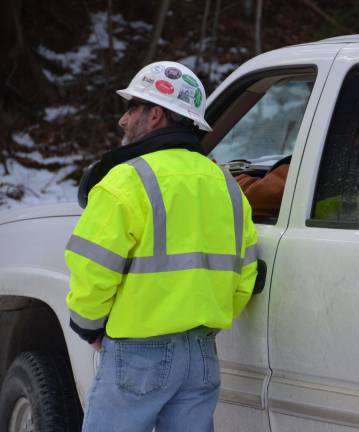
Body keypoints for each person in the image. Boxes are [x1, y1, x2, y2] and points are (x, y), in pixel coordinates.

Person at [64, 60, 258, 432]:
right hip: (201, 352)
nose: (123, 120)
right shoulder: (225, 183)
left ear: (155, 116)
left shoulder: (126, 180)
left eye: (131, 107)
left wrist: (89, 327)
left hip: (138, 352)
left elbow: (93, 269)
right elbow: (244, 273)